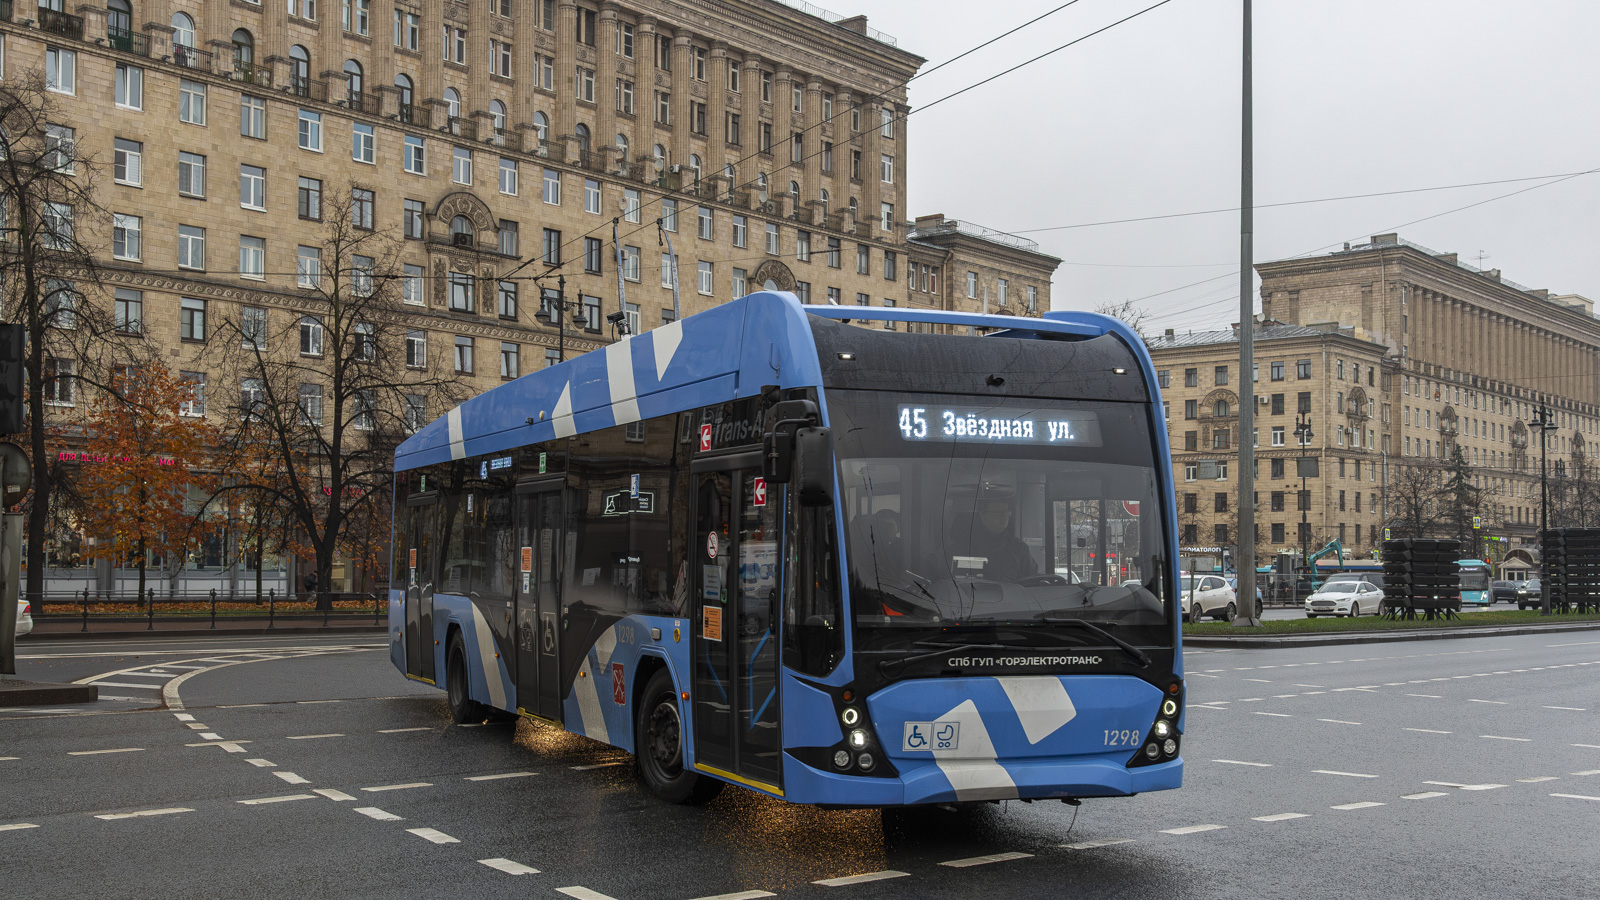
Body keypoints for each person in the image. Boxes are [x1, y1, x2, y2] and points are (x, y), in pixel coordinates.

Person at [964, 497, 1036, 581]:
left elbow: (1031, 581)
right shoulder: (964, 544)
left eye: (1007, 513)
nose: (1004, 517)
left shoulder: (1019, 548)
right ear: (982, 514)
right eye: (998, 513)